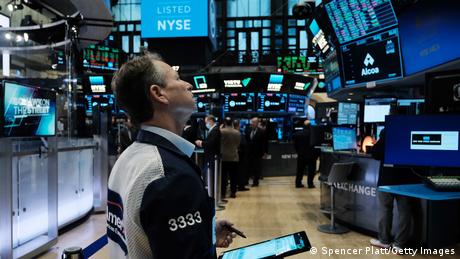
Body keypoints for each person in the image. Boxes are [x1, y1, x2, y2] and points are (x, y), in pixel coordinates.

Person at [108, 53, 236, 258]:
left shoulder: (128, 158)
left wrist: (203, 232)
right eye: (177, 78)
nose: (188, 85)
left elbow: (147, 233)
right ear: (158, 93)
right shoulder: (169, 175)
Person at [370, 110, 414, 252]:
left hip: (387, 179)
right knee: (405, 211)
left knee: (385, 209)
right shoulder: (412, 129)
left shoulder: (387, 131)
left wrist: (377, 144)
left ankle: (384, 240)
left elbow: (375, 153)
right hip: (407, 178)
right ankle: (400, 244)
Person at [292, 119, 317, 188]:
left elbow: (295, 145)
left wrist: (298, 151)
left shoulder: (297, 134)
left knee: (300, 170)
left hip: (301, 154)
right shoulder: (314, 135)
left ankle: (298, 183)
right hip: (312, 155)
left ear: (303, 126)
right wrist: (317, 154)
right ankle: (310, 184)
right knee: (311, 170)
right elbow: (316, 146)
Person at [220, 117, 241, 198]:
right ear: (232, 123)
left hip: (224, 157)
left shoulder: (221, 131)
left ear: (225, 123)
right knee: (233, 176)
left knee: (223, 177)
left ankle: (223, 193)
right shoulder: (237, 132)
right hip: (234, 157)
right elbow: (238, 144)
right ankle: (233, 193)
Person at [195, 115, 221, 181]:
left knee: (211, 173)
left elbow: (211, 143)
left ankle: (211, 189)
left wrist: (201, 143)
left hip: (212, 156)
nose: (206, 124)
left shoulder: (215, 130)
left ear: (211, 121)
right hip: (210, 155)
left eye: (206, 122)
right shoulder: (213, 130)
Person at [245, 117, 268, 187]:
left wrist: (265, 152)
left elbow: (265, 143)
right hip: (248, 152)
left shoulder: (262, 131)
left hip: (257, 153)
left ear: (257, 123)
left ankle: (255, 182)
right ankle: (245, 181)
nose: (251, 123)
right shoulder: (248, 130)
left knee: (256, 168)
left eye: (253, 122)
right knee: (247, 167)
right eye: (251, 122)